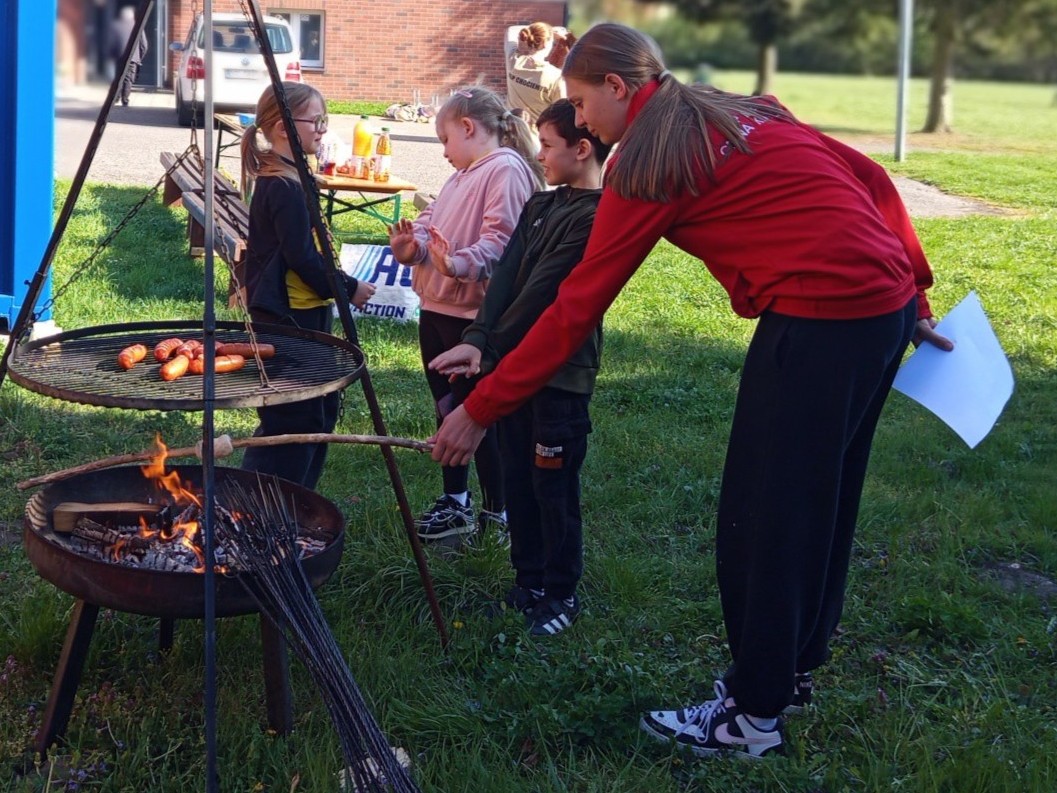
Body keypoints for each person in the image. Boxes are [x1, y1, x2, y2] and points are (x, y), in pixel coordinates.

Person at [429, 23, 955, 757]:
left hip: (817, 320)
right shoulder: (741, 107)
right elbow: (868, 179)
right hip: (878, 313)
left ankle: (750, 714)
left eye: (580, 103)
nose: (577, 120)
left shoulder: (648, 162)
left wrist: (483, 407)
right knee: (821, 503)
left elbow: (576, 306)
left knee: (763, 518)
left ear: (618, 88)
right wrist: (915, 291)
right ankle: (790, 670)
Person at [429, 99, 612, 635]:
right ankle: (527, 580)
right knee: (517, 476)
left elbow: (544, 293)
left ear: (582, 149)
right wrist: (481, 339)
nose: (538, 154)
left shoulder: (598, 217)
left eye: (548, 145)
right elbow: (507, 277)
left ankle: (561, 593)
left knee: (552, 486)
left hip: (560, 377)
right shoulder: (540, 206)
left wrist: (492, 344)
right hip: (510, 370)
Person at [388, 85, 542, 545]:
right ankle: (456, 502)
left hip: (473, 320)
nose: (443, 153)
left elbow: (502, 245)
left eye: (445, 140)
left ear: (469, 128)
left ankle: (500, 512)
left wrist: (456, 264)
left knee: (479, 415)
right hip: (437, 310)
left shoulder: (505, 170)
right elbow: (432, 225)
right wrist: (410, 248)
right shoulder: (462, 174)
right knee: (448, 410)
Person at [239, 82, 375, 489]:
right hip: (287, 317)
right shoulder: (281, 185)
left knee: (321, 406)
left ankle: (296, 499)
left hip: (306, 310)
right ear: (282, 127)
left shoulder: (294, 177)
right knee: (295, 414)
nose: (322, 129)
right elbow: (301, 257)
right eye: (316, 121)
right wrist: (348, 288)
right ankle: (270, 499)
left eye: (324, 120)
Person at [505, 22, 565, 129]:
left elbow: (511, 30)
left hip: (510, 132)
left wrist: (549, 31)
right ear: (546, 44)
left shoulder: (513, 61)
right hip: (535, 140)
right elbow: (562, 114)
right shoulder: (556, 77)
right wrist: (555, 30)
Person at [108, 6, 149, 107]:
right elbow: (144, 45)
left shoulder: (116, 26)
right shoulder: (138, 27)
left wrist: (112, 55)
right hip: (133, 58)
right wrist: (139, 57)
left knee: (118, 77)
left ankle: (115, 98)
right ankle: (125, 100)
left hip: (119, 57)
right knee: (128, 79)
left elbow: (111, 43)